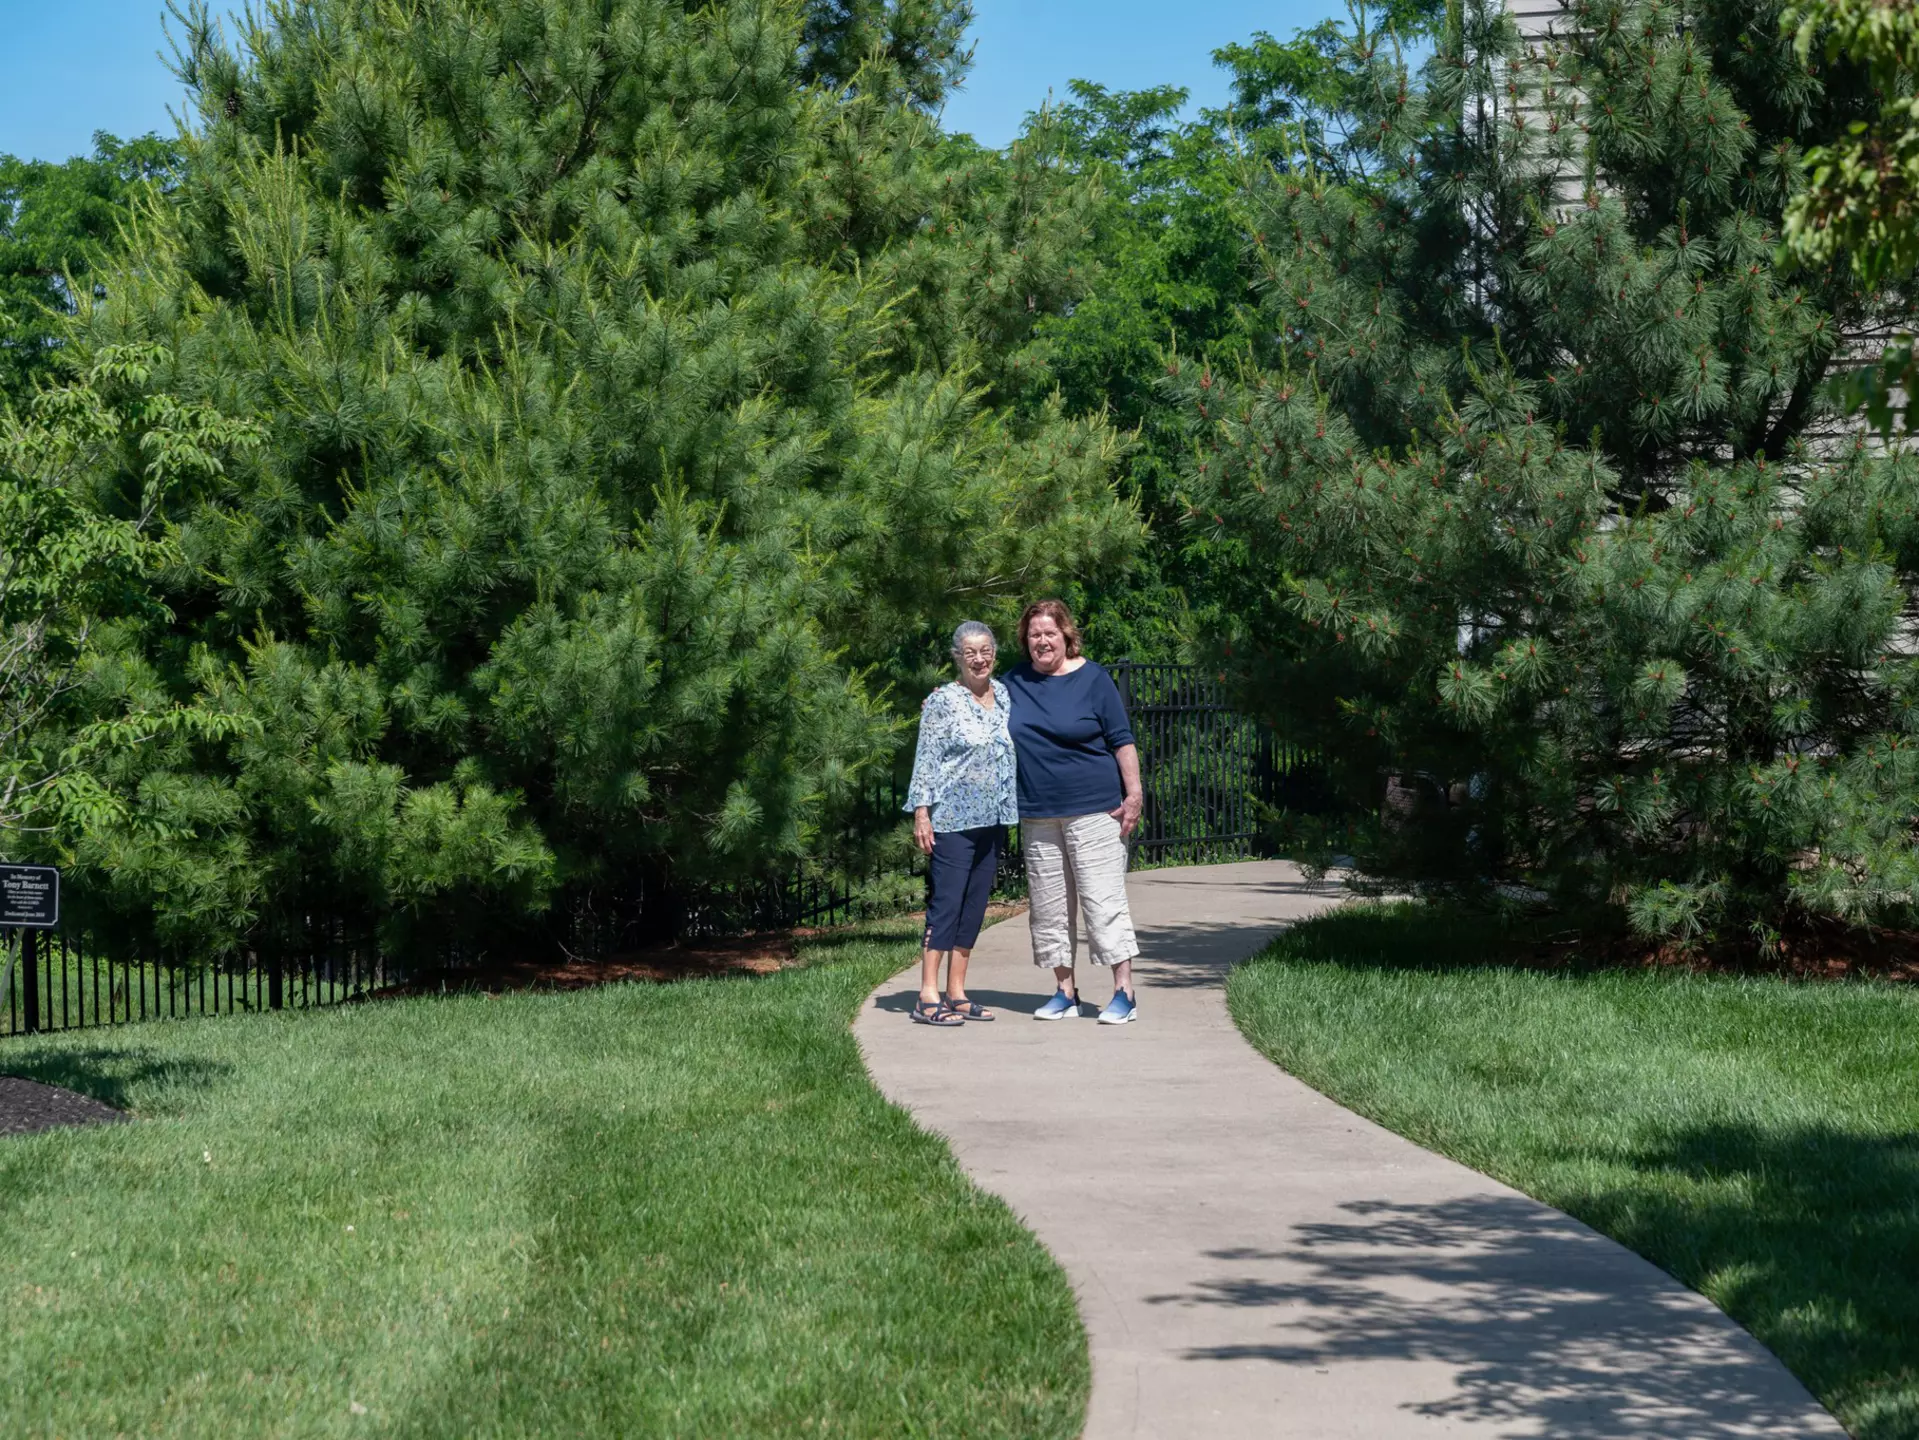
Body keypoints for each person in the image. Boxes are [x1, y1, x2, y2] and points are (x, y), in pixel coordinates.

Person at [1004, 599, 1144, 1024]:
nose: (1041, 642)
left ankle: (1124, 994)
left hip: (1094, 809)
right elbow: (976, 701)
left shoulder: (1094, 678)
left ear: (1066, 635)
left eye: (1049, 633)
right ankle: (1065, 992)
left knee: (1102, 902)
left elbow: (1122, 739)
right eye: (1033, 635)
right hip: (1039, 812)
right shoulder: (1013, 682)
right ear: (1025, 641)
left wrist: (1134, 794)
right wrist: (941, 699)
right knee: (1049, 908)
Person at [903, 621, 1018, 1026]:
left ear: (995, 653)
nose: (979, 658)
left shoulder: (1003, 695)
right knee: (946, 905)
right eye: (970, 651)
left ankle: (956, 992)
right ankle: (926, 994)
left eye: (985, 650)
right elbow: (926, 758)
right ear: (958, 657)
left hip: (995, 819)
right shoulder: (943, 701)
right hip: (952, 820)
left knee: (974, 907)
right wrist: (922, 812)